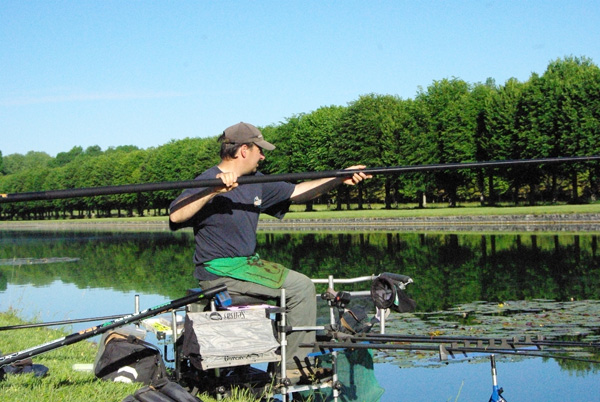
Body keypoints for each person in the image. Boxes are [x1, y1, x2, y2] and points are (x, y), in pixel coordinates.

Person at [169, 122, 370, 378]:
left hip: (246, 265)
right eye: (259, 150)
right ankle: (292, 368)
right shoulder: (208, 179)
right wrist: (212, 190)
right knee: (301, 287)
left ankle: (285, 352)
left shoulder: (256, 182)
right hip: (219, 271)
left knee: (298, 287)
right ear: (244, 150)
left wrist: (338, 177)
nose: (262, 156)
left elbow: (298, 191)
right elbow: (176, 216)